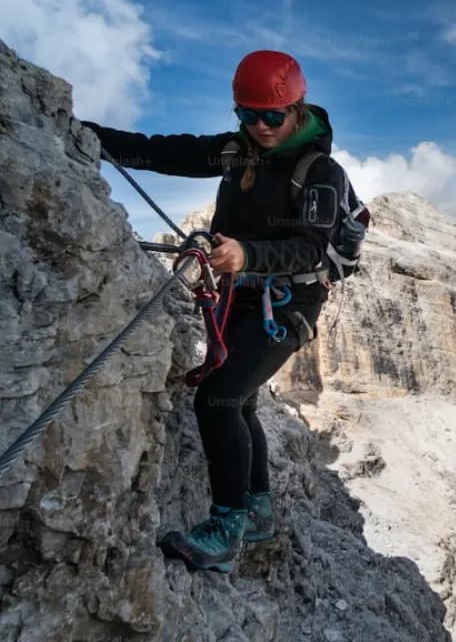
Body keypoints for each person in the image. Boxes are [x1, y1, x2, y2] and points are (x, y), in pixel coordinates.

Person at [82, 50, 346, 573]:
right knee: (241, 400)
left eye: (272, 116)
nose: (261, 127)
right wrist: (83, 131)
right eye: (249, 115)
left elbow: (312, 248)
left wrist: (249, 254)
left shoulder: (320, 172)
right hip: (241, 293)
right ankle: (260, 510)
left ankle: (227, 527)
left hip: (291, 300)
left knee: (219, 399)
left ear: (297, 109)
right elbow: (163, 152)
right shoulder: (236, 151)